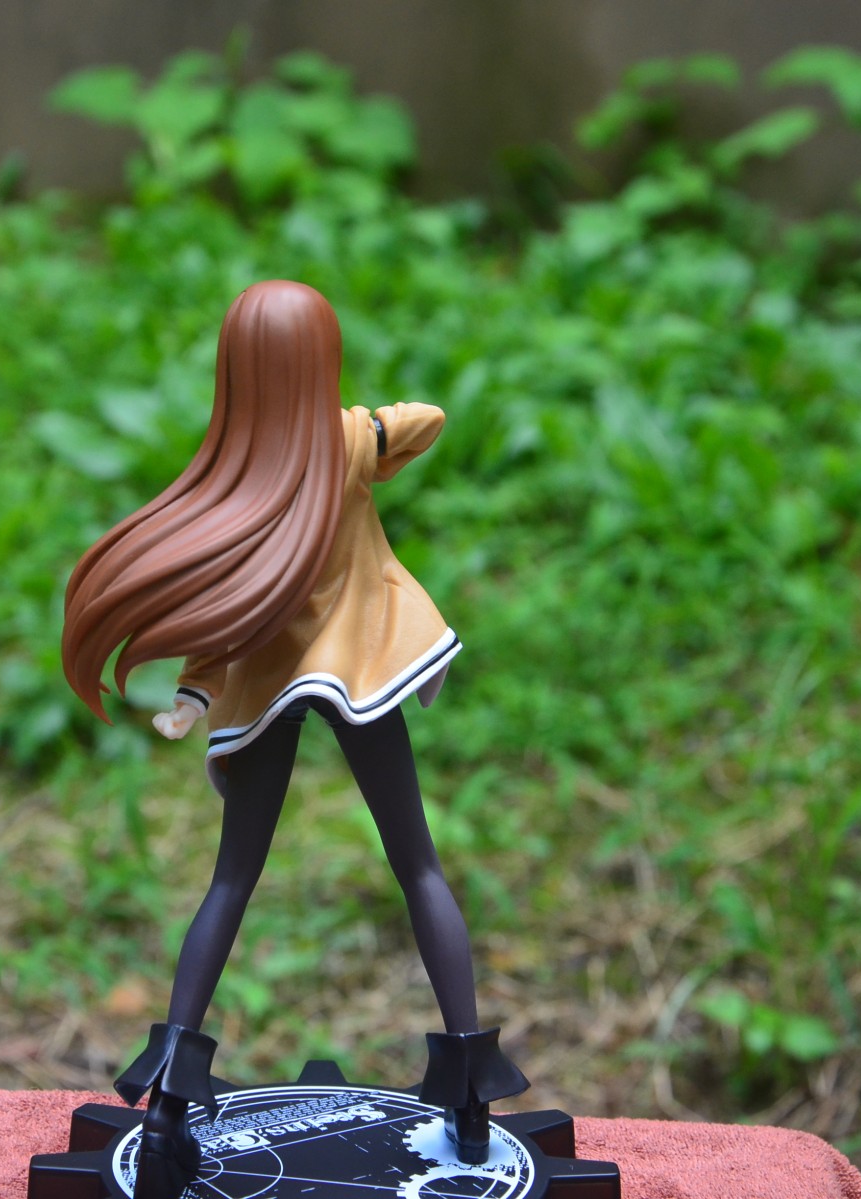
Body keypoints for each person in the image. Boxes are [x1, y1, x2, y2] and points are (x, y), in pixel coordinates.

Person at [61, 280, 525, 1199]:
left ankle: (167, 1102)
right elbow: (427, 421)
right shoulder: (349, 443)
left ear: (236, 375)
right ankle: (471, 1089)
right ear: (321, 365)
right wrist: (364, 423)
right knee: (416, 864)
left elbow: (222, 606)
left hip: (268, 688)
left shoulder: (233, 482)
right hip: (360, 672)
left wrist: (193, 694)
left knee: (231, 880)